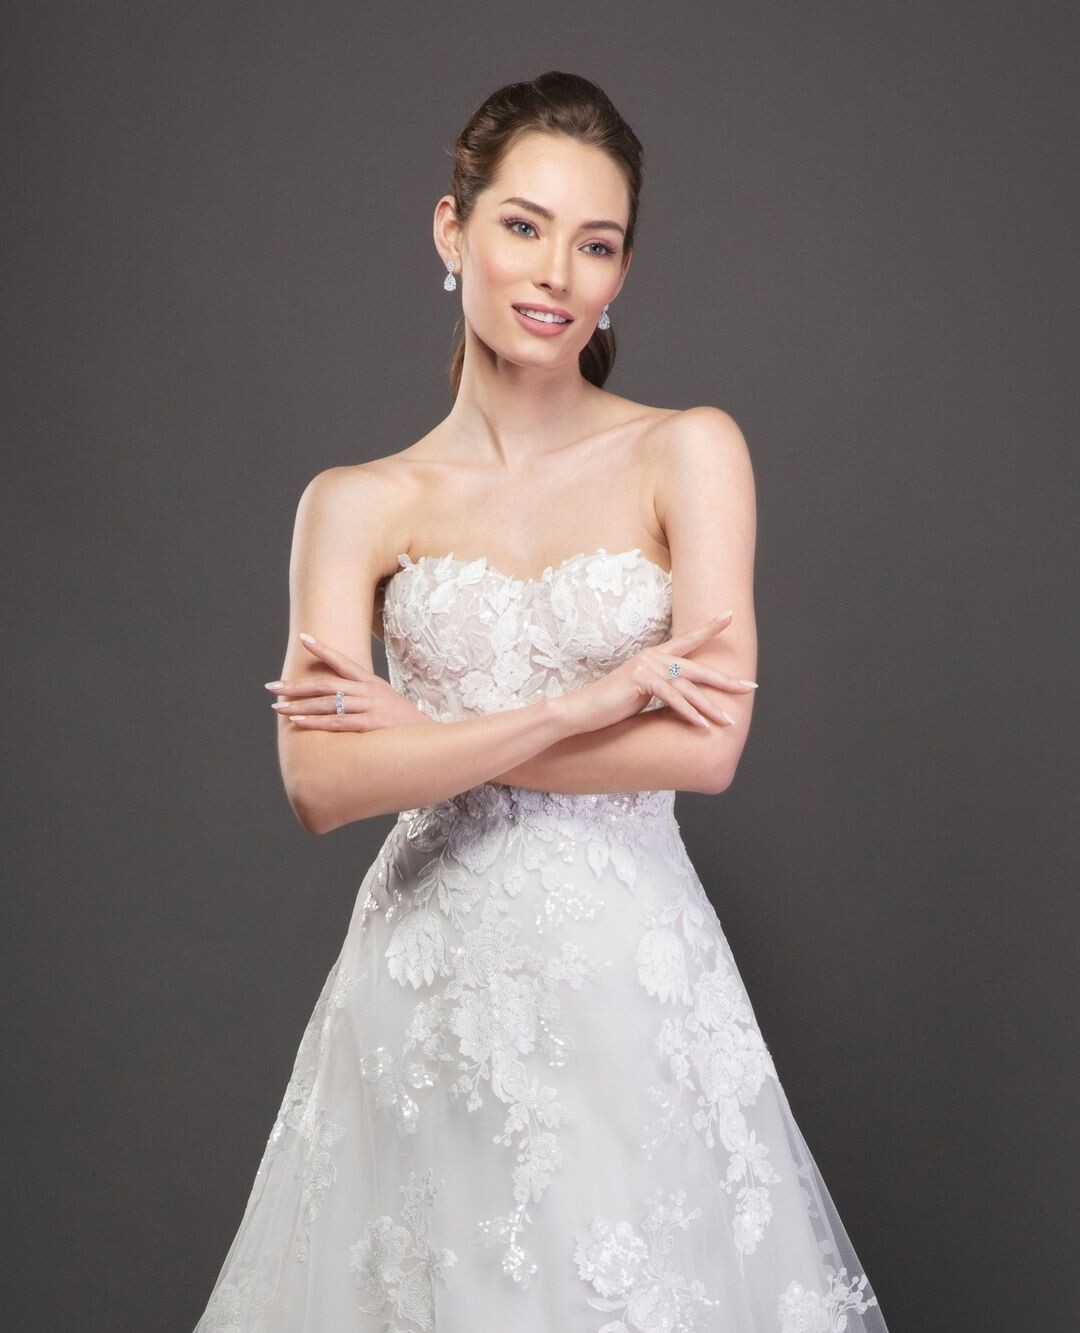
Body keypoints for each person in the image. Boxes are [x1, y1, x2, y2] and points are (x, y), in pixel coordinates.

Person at [194, 71, 888, 1333]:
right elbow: (322, 783)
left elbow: (708, 746)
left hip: (628, 981)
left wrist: (432, 742)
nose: (557, 273)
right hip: (428, 992)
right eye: (523, 225)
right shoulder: (354, 503)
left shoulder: (688, 450)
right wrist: (574, 711)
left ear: (623, 270)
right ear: (451, 230)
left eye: (597, 242)